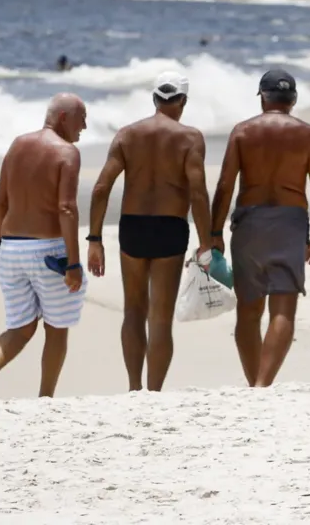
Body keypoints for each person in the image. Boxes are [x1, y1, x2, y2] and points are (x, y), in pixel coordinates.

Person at [86, 71, 213, 392]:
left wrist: (95, 240)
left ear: (155, 99)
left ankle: (133, 387)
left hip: (133, 227)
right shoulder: (190, 138)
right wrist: (206, 243)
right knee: (160, 316)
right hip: (170, 228)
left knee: (133, 310)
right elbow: (198, 192)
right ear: (182, 100)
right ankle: (153, 392)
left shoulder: (128, 135)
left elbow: (101, 188)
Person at [210, 69, 310, 388]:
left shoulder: (242, 131)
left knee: (248, 311)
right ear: (293, 99)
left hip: (250, 222)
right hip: (290, 222)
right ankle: (264, 385)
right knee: (284, 308)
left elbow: (225, 185)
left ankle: (255, 385)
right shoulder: (307, 134)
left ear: (262, 97)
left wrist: (214, 234)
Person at [0, 92, 88, 402]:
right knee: (57, 328)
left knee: (21, 327)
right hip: (49, 252)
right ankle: (45, 397)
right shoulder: (67, 153)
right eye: (82, 119)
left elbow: (0, 203)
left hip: (10, 249)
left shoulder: (17, 145)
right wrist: (74, 264)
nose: (85, 127)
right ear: (64, 118)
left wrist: (0, 244)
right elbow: (66, 208)